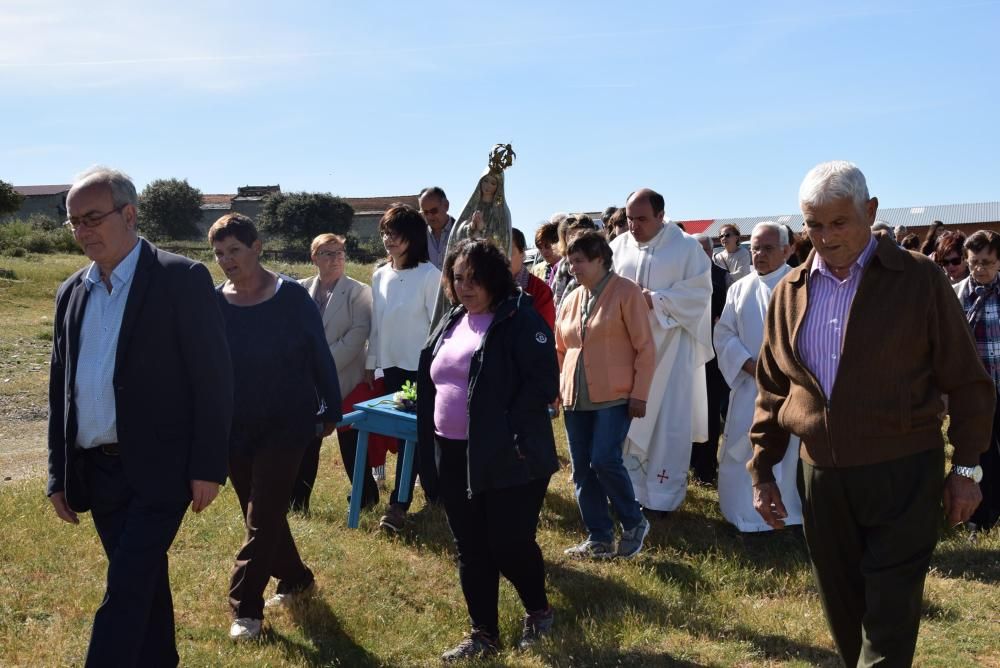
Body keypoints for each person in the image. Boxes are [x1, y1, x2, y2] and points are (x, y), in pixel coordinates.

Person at [749, 161, 994, 666]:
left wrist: (967, 467)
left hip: (903, 474)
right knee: (845, 613)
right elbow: (773, 390)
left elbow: (968, 383)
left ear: (871, 211)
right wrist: (763, 469)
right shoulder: (790, 292)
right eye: (814, 224)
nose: (825, 236)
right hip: (821, 479)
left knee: (888, 618)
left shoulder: (919, 280)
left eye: (839, 222)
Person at [47, 166, 233, 666]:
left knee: (126, 588)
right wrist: (56, 473)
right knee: (143, 582)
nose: (82, 231)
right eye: (74, 222)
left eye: (92, 218)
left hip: (160, 469)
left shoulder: (180, 279)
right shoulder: (72, 292)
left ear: (128, 215)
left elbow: (213, 378)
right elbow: (61, 390)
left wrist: (208, 465)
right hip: (97, 470)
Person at [417, 239, 559, 661]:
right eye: (458, 277)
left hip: (508, 455)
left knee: (509, 543)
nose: (466, 286)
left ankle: (539, 611)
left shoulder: (519, 319)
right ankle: (484, 634)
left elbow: (543, 385)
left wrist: (508, 428)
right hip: (453, 450)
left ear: (495, 279)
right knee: (471, 546)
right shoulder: (452, 319)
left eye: (475, 278)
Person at [209, 214, 342, 640]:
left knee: (262, 515)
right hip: (234, 425)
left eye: (234, 250)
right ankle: (297, 577)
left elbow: (318, 354)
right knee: (257, 509)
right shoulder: (213, 302)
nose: (226, 260)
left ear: (257, 247)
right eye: (219, 253)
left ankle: (245, 609)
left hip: (287, 422)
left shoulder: (291, 298)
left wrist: (330, 410)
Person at [611, 188, 714, 514]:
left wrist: (653, 300)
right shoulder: (617, 246)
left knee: (666, 422)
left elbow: (700, 294)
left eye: (642, 219)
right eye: (630, 219)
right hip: (626, 354)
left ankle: (661, 498)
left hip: (670, 353)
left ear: (660, 215)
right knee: (624, 424)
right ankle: (623, 492)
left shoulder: (685, 248)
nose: (634, 226)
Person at [555, 232, 654, 559]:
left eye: (579, 261)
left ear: (600, 259)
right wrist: (557, 389)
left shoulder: (627, 292)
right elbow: (560, 348)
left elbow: (645, 347)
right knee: (582, 468)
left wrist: (640, 393)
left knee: (604, 459)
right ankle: (599, 537)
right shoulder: (571, 299)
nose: (573, 269)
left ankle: (633, 520)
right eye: (570, 263)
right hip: (575, 397)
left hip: (614, 396)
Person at [714, 223, 802, 532]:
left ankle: (788, 514)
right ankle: (741, 512)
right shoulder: (739, 287)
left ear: (786, 249)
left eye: (767, 248)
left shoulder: (799, 284)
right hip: (749, 385)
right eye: (754, 248)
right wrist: (749, 365)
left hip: (791, 389)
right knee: (741, 446)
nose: (759, 255)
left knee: (788, 454)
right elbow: (724, 334)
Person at [366, 204, 442, 531]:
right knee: (412, 436)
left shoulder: (430, 276)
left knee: (417, 435)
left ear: (412, 237)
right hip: (393, 368)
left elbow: (439, 328)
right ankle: (437, 492)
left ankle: (399, 504)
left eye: (395, 233)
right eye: (385, 232)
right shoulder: (379, 275)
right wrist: (373, 364)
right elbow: (377, 325)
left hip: (421, 370)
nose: (388, 239)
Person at [293, 233, 375, 513]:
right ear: (314, 258)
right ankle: (298, 502)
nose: (336, 258)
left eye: (340, 252)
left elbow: (358, 335)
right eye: (328, 253)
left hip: (346, 380)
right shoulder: (300, 290)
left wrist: (321, 365)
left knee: (351, 444)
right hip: (308, 384)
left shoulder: (358, 291)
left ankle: (366, 498)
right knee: (306, 444)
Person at [954, 230, 1000, 532]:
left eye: (988, 262)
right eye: (974, 262)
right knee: (981, 455)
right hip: (975, 393)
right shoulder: (956, 295)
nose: (980, 268)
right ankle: (981, 516)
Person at [690, 233, 730, 485]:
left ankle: (706, 467)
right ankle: (689, 461)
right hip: (686, 351)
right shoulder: (683, 274)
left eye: (702, 250)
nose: (698, 254)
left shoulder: (720, 275)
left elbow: (723, 314)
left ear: (710, 251)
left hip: (712, 354)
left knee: (710, 410)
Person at [551, 214, 599, 311]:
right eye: (570, 239)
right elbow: (554, 300)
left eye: (579, 239)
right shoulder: (562, 266)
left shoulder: (601, 264)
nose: (574, 244)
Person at [511, 227, 556, 329]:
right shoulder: (485, 288)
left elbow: (544, 334)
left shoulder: (540, 290)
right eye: (499, 250)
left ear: (522, 253)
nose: (503, 256)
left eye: (509, 251)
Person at [419, 186, 455, 270]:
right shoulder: (419, 236)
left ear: (446, 205)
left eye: (434, 211)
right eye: (425, 212)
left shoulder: (461, 231)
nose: (430, 216)